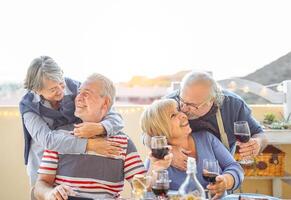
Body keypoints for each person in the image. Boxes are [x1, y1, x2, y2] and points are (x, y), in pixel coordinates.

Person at [34, 73, 146, 200]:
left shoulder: (123, 143)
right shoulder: (59, 138)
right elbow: (40, 185)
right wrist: (49, 193)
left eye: (86, 93)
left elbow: (143, 186)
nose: (78, 98)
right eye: (79, 92)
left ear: (105, 103)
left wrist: (155, 166)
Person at [19, 56, 124, 185]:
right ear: (36, 90)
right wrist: (89, 145)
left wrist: (100, 127)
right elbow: (48, 140)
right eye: (53, 89)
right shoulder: (28, 105)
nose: (60, 91)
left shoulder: (77, 88)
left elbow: (115, 117)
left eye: (61, 84)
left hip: (73, 165)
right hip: (42, 166)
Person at [141, 99, 244, 199]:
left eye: (179, 110)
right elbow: (147, 192)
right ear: (160, 128)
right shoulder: (158, 157)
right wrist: (156, 169)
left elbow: (235, 167)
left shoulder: (206, 138)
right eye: (173, 115)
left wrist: (226, 181)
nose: (183, 115)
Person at [166, 71, 268, 171]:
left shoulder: (233, 105)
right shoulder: (168, 103)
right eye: (182, 101)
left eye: (192, 105)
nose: (183, 109)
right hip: (178, 172)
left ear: (212, 100)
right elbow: (150, 135)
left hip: (221, 173)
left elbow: (260, 134)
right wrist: (167, 150)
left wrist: (257, 143)